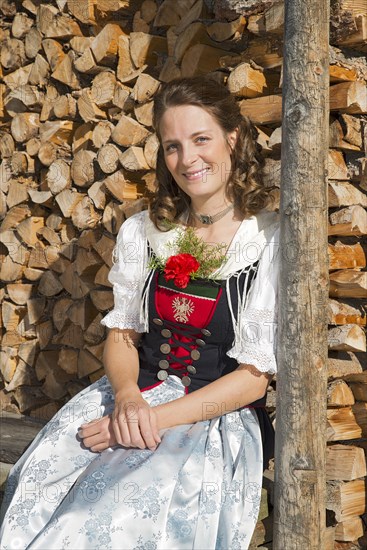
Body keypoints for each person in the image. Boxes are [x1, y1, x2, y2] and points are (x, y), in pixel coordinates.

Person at [0, 76, 280, 550]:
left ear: (233, 138)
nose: (188, 159)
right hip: (136, 397)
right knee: (40, 481)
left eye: (201, 139)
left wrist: (147, 422)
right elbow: (123, 335)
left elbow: (253, 379)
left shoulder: (269, 241)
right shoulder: (144, 232)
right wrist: (128, 398)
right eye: (172, 146)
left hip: (211, 418)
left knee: (103, 516)